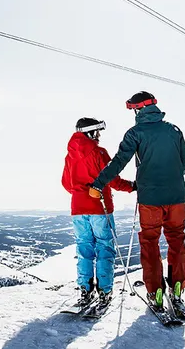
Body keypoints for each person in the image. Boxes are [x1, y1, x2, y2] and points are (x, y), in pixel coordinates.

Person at [89, 92, 185, 311]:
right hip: (177, 197)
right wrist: (173, 177)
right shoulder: (173, 130)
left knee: (150, 242)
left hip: (150, 199)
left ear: (137, 110)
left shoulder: (135, 133)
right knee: (176, 240)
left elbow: (119, 162)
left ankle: (155, 292)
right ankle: (177, 289)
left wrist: (98, 184)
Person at [62, 117, 135, 307]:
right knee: (104, 247)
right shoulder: (98, 152)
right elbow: (112, 179)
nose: (99, 135)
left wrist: (80, 192)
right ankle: (104, 290)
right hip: (100, 207)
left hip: (78, 208)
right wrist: (133, 186)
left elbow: (66, 183)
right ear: (91, 132)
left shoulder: (70, 155)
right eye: (97, 131)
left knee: (84, 247)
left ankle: (85, 289)